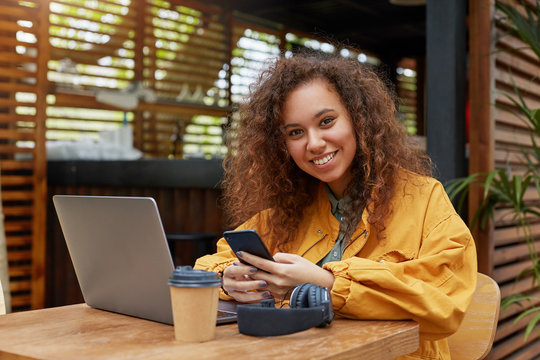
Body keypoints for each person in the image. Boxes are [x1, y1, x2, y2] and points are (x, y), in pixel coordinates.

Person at [194, 51, 477, 360]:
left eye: (326, 121)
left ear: (358, 119)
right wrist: (228, 280)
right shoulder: (285, 211)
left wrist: (327, 282)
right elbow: (209, 265)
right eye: (295, 132)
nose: (314, 143)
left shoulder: (424, 199)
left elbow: (445, 306)